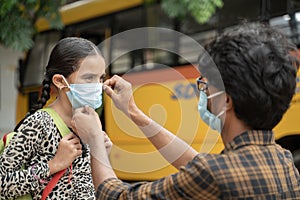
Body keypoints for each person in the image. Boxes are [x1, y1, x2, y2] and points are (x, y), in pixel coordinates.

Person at [72, 23, 300, 199]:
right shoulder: (283, 160)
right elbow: (196, 163)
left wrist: (93, 140)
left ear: (227, 100)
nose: (203, 92)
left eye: (207, 85)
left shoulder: (213, 175)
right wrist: (134, 112)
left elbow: (118, 196)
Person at [0, 37, 111, 199]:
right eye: (89, 78)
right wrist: (54, 165)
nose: (98, 85)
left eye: (100, 78)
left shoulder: (89, 122)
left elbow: (86, 187)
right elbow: (3, 184)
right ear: (59, 81)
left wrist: (101, 154)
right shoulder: (39, 123)